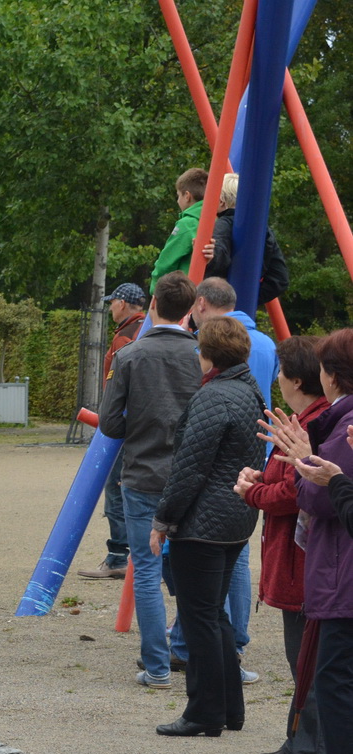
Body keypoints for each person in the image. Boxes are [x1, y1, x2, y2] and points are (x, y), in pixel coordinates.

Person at [148, 316, 263, 738]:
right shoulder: (251, 390)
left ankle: (204, 712)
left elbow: (189, 468)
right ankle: (230, 707)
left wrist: (164, 519)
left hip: (203, 522)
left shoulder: (214, 396)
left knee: (198, 618)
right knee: (215, 615)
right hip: (235, 516)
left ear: (209, 355)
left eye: (200, 350)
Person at [261, 332, 353, 754]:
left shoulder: (342, 425)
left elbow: (321, 501)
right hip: (336, 574)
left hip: (342, 576)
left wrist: (301, 466)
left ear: (332, 373)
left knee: (334, 683)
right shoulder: (336, 422)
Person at [99, 272, 202, 689]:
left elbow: (108, 423)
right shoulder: (202, 354)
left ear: (153, 304)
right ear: (193, 309)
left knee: (145, 569)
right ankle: (189, 648)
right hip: (192, 474)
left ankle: (157, 667)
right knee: (194, 567)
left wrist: (139, 424)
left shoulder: (130, 356)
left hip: (143, 473)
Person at [235, 336, 329, 754]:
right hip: (294, 556)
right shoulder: (305, 419)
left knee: (307, 658)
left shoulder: (314, 424)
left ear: (295, 379)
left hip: (303, 560)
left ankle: (313, 752)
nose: (275, 380)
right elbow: (287, 478)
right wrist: (261, 476)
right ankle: (299, 740)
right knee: (300, 656)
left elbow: (296, 490)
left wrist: (252, 491)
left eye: (279, 372)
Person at [184, 276, 276, 676]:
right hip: (256, 461)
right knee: (235, 561)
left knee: (201, 596)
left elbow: (193, 459)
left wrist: (166, 518)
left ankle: (197, 650)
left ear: (201, 304)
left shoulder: (207, 368)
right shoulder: (267, 347)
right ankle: (236, 640)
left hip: (212, 480)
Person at [79, 283, 150, 580]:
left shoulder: (125, 338)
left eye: (112, 303)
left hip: (123, 426)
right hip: (147, 424)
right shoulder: (146, 330)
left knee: (117, 487)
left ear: (123, 304)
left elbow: (119, 388)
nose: (109, 308)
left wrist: (110, 421)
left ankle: (119, 555)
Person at [201, 172, 290, 306]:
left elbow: (219, 255)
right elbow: (280, 279)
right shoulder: (263, 230)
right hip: (245, 303)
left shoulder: (223, 224)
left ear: (220, 201)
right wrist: (249, 299)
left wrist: (211, 258)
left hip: (218, 305)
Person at [150, 167, 209, 294]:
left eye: (178, 196)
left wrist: (155, 288)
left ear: (187, 196)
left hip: (182, 294)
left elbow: (166, 263)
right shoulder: (214, 219)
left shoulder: (187, 224)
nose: (178, 201)